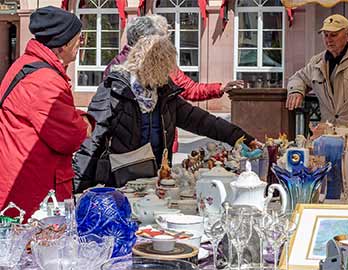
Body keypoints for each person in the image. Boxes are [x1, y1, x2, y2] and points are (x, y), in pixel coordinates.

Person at [73, 34, 258, 193]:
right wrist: (78, 188)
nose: (169, 72)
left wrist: (242, 138)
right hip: (119, 180)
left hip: (156, 180)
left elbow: (202, 121)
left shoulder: (164, 94)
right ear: (151, 66)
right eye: (164, 66)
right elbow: (91, 141)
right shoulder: (115, 90)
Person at [0, 6, 93, 218]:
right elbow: (70, 136)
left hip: (23, 181)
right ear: (62, 44)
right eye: (79, 39)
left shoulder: (28, 65)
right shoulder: (45, 80)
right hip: (33, 190)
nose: (81, 45)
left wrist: (72, 115)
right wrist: (85, 121)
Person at [103, 15, 244, 152]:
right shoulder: (117, 71)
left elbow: (191, 96)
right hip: (126, 162)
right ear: (144, 42)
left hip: (160, 153)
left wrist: (220, 88)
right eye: (162, 41)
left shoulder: (163, 69)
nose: (167, 47)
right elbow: (100, 127)